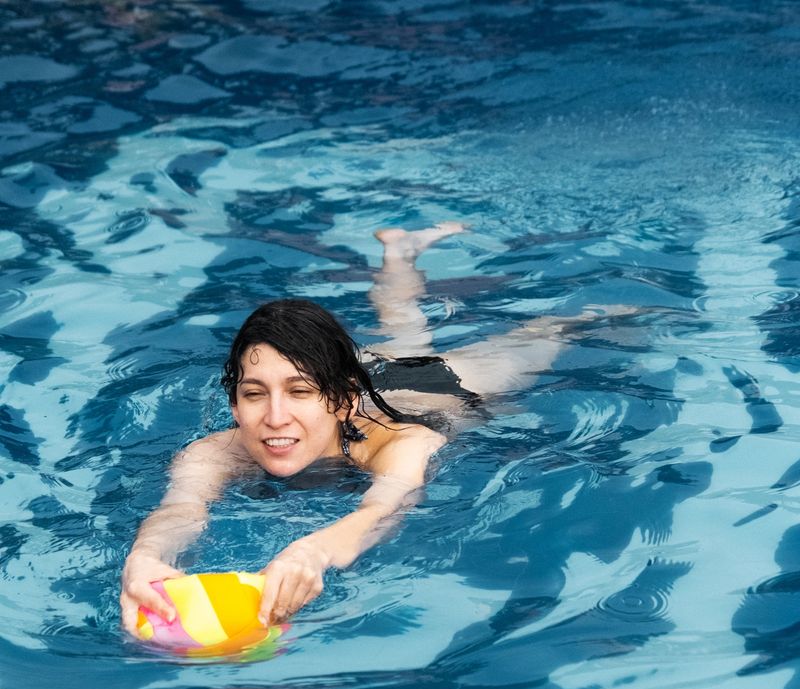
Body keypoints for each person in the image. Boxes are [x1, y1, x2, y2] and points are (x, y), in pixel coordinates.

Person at [120, 222, 623, 633]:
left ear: (338, 400)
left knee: (544, 337)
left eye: (298, 393)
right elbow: (181, 510)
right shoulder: (213, 453)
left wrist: (311, 552)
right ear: (234, 402)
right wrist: (144, 557)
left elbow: (384, 509)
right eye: (255, 394)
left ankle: (622, 303)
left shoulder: (406, 442)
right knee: (400, 327)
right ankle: (400, 253)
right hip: (367, 374)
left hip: (436, 389)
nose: (274, 417)